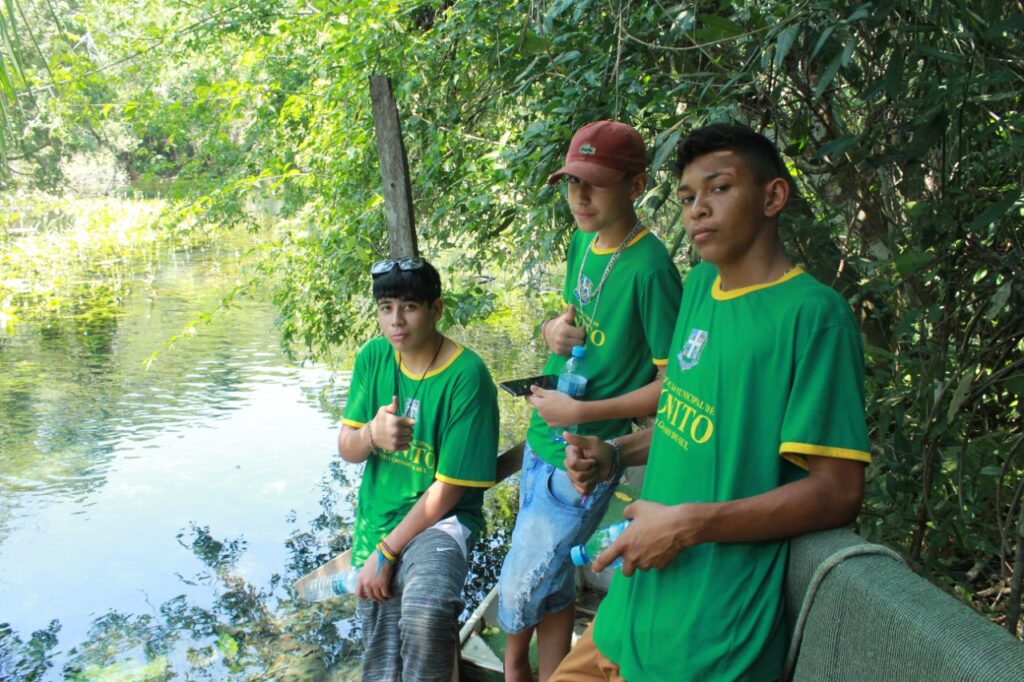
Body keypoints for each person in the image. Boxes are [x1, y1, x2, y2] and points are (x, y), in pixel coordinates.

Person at [552, 123, 872, 681]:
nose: (697, 210)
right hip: (627, 611)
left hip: (708, 641)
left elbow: (838, 491)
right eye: (686, 197)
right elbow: (689, 418)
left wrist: (689, 526)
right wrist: (614, 452)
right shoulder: (699, 285)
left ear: (773, 196)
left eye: (719, 189)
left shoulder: (812, 316)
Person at [497, 120, 683, 681]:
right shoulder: (584, 239)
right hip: (541, 439)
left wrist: (581, 414)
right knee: (552, 584)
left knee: (518, 584)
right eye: (572, 181)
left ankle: (513, 672)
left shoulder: (651, 268)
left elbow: (673, 390)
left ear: (637, 183)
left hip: (583, 456)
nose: (580, 196)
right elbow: (574, 320)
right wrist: (554, 330)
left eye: (596, 183)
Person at [337, 256, 499, 682]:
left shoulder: (467, 375)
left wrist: (387, 552)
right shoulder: (373, 357)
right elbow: (347, 449)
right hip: (379, 519)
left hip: (441, 523)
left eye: (409, 306)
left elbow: (447, 492)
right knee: (382, 657)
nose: (396, 321)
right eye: (386, 307)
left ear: (436, 309)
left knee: (425, 615)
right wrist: (371, 434)